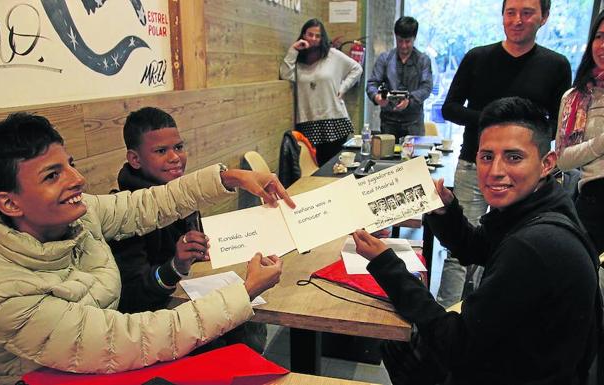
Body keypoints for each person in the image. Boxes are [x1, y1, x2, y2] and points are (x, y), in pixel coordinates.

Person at [0, 112, 295, 385]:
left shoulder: (80, 213)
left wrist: (230, 178)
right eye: (53, 175)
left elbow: (149, 203)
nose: (77, 179)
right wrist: (245, 290)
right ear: (9, 203)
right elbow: (132, 339)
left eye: (70, 165)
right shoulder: (1, 291)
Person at [353, 97, 600, 385]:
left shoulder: (535, 246)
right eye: (486, 157)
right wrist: (445, 211)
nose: (495, 171)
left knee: (404, 348)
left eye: (514, 157)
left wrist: (387, 264)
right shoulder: (546, 204)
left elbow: (454, 344)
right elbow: (479, 247)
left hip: (520, 372)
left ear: (547, 163)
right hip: (535, 360)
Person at [438, 0, 571, 307]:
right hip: (474, 163)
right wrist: (492, 123)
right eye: (511, 12)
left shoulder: (557, 65)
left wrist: (517, 136)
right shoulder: (478, 57)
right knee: (459, 246)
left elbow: (556, 124)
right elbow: (450, 107)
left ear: (544, 17)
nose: (517, 20)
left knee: (508, 245)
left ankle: (487, 311)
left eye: (527, 13)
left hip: (525, 174)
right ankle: (444, 315)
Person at [108, 107, 267, 352]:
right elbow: (132, 298)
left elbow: (192, 251)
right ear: (135, 159)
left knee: (250, 315)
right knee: (241, 325)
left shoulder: (184, 194)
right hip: (159, 329)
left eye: (179, 147)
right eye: (161, 151)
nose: (175, 157)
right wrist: (175, 266)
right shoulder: (123, 214)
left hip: (193, 297)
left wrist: (200, 251)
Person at [280, 18, 363, 166]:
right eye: (309, 34)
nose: (313, 39)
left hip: (334, 120)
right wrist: (293, 49)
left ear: (322, 38)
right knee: (311, 169)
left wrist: (343, 87)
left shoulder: (332, 55)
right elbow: (286, 75)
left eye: (317, 36)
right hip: (307, 121)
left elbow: (357, 68)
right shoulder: (298, 59)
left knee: (331, 169)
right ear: (303, 35)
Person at [556, 9, 604, 256]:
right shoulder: (576, 98)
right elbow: (563, 159)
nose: (603, 45)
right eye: (599, 36)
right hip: (594, 201)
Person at [366, 16, 433, 140]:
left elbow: (426, 87)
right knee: (386, 157)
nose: (403, 46)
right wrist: (376, 97)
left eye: (408, 41)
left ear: (414, 38)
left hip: (414, 123)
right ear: (395, 37)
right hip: (388, 122)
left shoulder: (423, 60)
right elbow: (372, 83)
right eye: (400, 41)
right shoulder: (385, 59)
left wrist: (410, 100)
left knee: (414, 159)